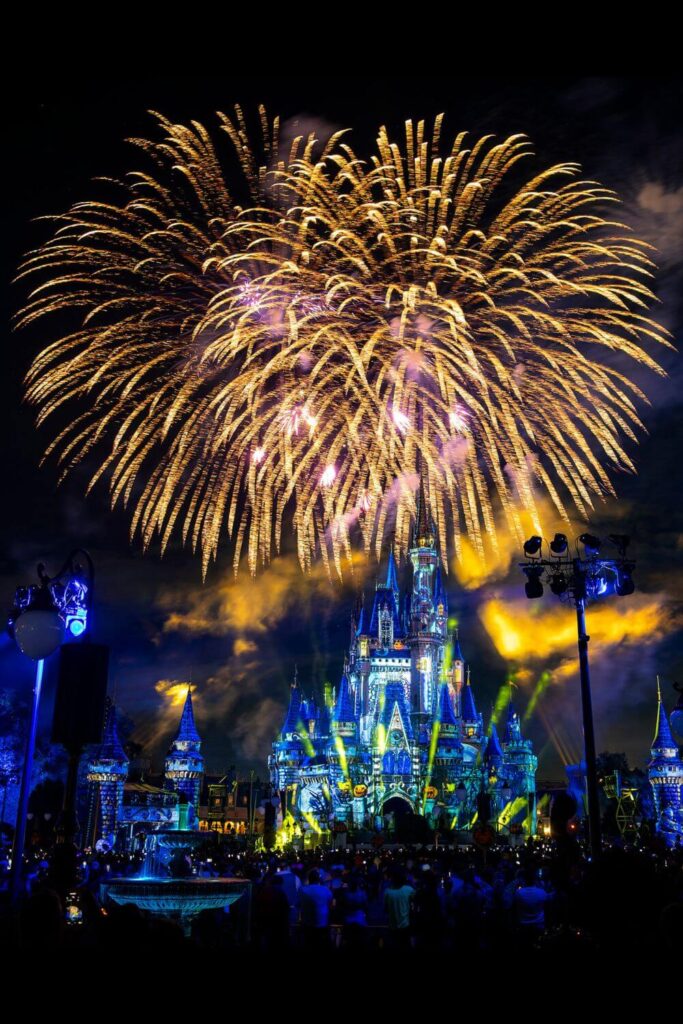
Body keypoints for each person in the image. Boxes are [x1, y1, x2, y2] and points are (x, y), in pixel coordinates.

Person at [299, 869, 333, 949]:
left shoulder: (303, 890)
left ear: (309, 879)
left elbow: (298, 904)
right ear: (319, 879)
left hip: (307, 924)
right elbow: (330, 904)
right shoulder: (326, 890)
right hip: (322, 923)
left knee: (309, 946)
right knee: (320, 947)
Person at [383, 866, 414, 948]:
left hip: (392, 926)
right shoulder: (409, 889)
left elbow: (385, 909)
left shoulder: (387, 892)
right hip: (405, 926)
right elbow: (417, 902)